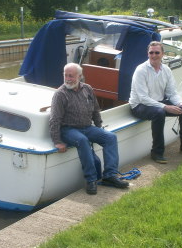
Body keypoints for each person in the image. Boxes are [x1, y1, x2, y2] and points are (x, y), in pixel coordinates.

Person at [49, 63, 129, 195]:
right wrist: (57, 141)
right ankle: (91, 180)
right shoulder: (60, 94)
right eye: (66, 75)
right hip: (68, 129)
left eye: (71, 76)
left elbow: (95, 110)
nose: (68, 79)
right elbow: (55, 119)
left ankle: (110, 175)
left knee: (110, 137)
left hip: (87, 127)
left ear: (80, 76)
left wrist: (99, 127)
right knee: (82, 140)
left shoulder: (88, 89)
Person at [129, 41, 182, 164]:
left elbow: (172, 93)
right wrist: (166, 107)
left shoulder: (166, 70)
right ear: (147, 54)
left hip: (157, 103)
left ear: (163, 54)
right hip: (139, 105)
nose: (154, 55)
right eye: (151, 53)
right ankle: (157, 153)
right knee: (159, 113)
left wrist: (180, 104)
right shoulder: (141, 70)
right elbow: (143, 98)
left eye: (157, 52)